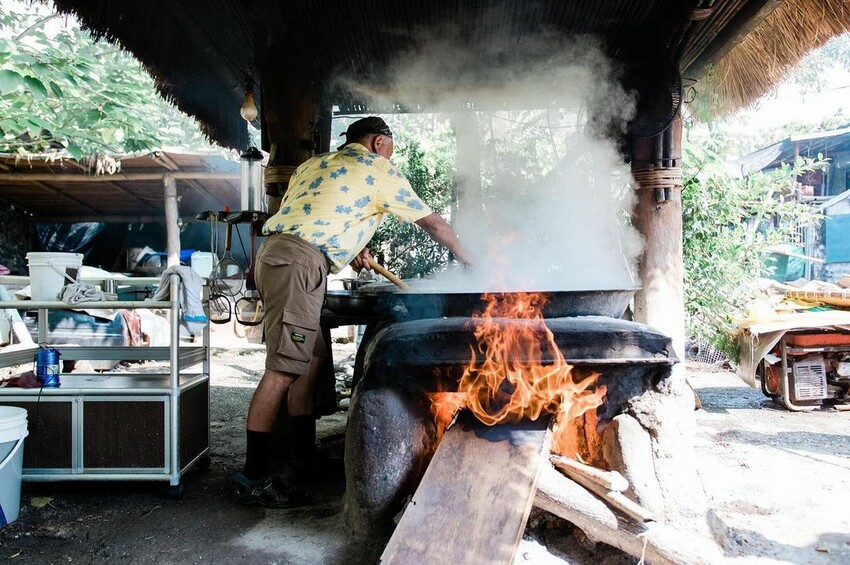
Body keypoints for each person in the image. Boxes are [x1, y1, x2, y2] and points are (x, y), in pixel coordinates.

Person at [233, 116, 473, 507]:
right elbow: (432, 223)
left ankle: (304, 458)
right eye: (390, 147)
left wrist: (351, 245)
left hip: (280, 256)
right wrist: (469, 258)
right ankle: (253, 476)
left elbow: (314, 214)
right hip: (298, 264)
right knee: (283, 369)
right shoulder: (378, 168)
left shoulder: (315, 165)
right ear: (379, 142)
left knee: (309, 361)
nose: (391, 155)